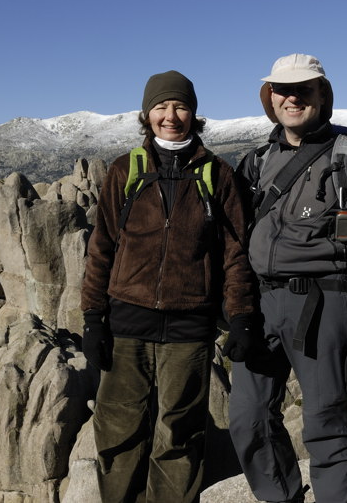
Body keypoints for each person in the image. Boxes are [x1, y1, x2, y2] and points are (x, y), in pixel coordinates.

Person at [81, 70, 258, 503]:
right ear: (147, 114)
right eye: (161, 107)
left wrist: (240, 317)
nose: (170, 116)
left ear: (193, 114)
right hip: (127, 323)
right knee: (117, 430)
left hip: (188, 327)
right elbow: (101, 248)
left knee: (179, 435)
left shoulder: (217, 175)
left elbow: (235, 256)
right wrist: (91, 319)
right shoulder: (126, 171)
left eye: (179, 106)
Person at [228, 54, 347, 503]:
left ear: (323, 95)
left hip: (323, 305)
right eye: (282, 89)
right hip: (261, 307)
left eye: (304, 88)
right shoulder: (256, 162)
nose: (292, 97)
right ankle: (280, 496)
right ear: (270, 99)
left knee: (327, 424)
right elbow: (231, 240)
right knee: (248, 417)